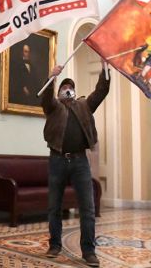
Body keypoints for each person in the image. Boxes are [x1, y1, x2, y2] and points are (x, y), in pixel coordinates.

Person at [41, 64, 110, 267]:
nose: (67, 89)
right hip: (57, 160)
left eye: (70, 87)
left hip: (80, 161)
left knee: (87, 208)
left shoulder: (84, 105)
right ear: (60, 92)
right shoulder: (53, 107)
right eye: (64, 87)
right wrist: (52, 77)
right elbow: (45, 98)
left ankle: (89, 251)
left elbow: (101, 91)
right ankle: (54, 245)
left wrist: (105, 70)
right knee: (54, 206)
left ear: (75, 91)